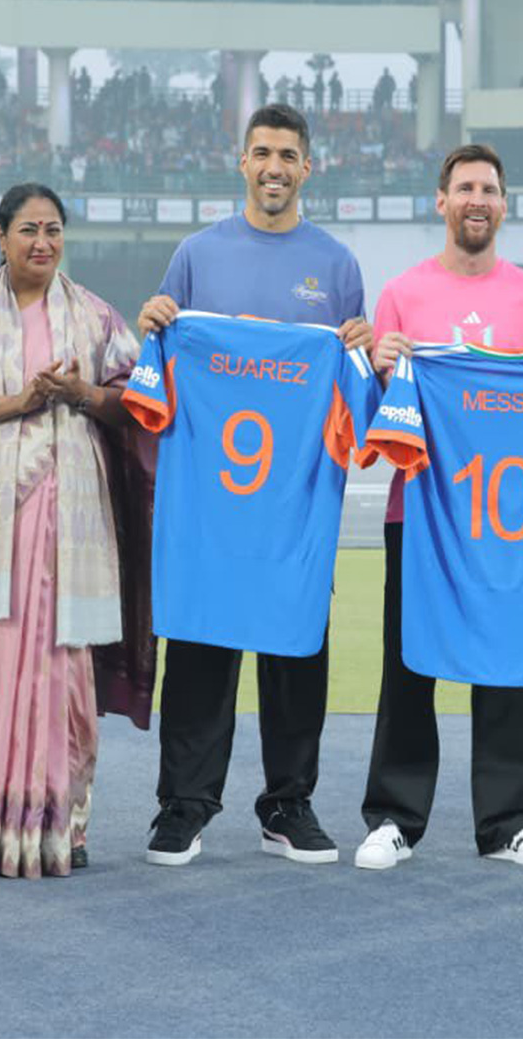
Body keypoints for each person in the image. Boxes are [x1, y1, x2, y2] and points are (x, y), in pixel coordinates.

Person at [137, 103, 371, 867]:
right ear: (242, 161)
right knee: (201, 648)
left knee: (296, 648)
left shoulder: (335, 267)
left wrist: (364, 351)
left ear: (308, 168)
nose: (275, 166)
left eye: (288, 155)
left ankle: (287, 803)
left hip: (296, 504)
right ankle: (185, 806)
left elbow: (356, 393)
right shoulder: (197, 257)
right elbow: (157, 370)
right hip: (212, 505)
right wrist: (154, 323)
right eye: (262, 152)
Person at [354, 143, 523, 870]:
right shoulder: (402, 295)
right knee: (408, 664)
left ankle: (507, 822)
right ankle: (392, 818)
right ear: (440, 202)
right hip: (416, 515)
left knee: (505, 663)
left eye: (490, 189)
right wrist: (381, 368)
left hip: (505, 521)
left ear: (504, 206)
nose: (478, 199)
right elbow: (377, 418)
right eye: (465, 187)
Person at [0, 183, 142, 878]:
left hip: (70, 527)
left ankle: (63, 826)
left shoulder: (96, 317)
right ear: (0, 236)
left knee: (67, 674)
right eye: (27, 229)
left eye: (52, 229)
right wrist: (18, 402)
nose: (41, 242)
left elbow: (137, 401)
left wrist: (80, 394)